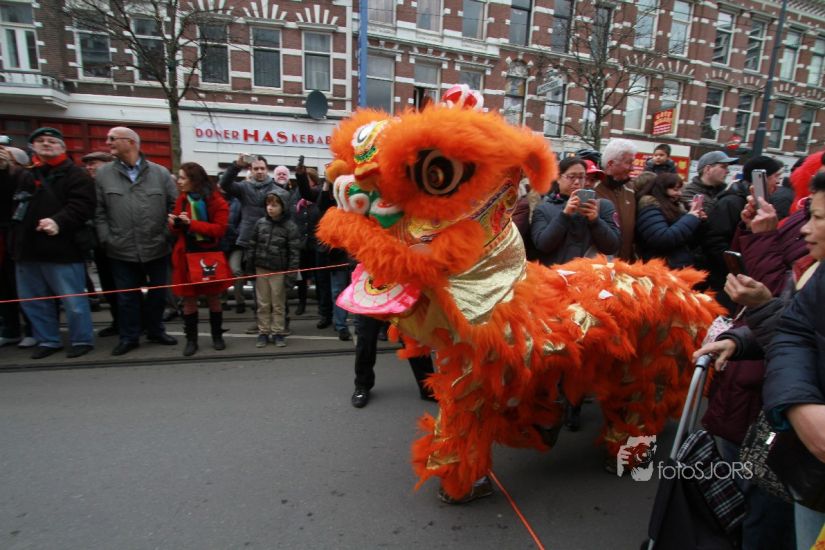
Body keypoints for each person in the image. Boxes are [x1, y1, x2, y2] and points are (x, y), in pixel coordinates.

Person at [764, 173, 825, 549]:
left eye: (817, 218)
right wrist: (799, 403)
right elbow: (795, 329)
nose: (805, 229)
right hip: (814, 475)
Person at [10, 127, 96, 359]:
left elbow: (83, 206)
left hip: (63, 250)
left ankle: (81, 339)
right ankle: (48, 340)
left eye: (51, 140)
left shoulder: (76, 175)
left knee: (73, 300)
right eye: (40, 141)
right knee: (34, 301)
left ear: (63, 147)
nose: (46, 144)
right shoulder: (26, 174)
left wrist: (58, 221)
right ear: (32, 147)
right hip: (27, 250)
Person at [95, 126, 178, 356]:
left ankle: (156, 330)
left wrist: (166, 234)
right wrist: (107, 239)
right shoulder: (103, 174)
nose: (108, 142)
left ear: (131, 142)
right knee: (126, 297)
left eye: (113, 138)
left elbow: (175, 206)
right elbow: (99, 211)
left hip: (156, 246)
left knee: (158, 294)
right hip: (120, 248)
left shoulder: (160, 173)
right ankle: (129, 337)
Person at [219, 154, 290, 334]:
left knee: (277, 286)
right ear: (250, 170)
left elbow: (287, 218)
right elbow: (224, 184)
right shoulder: (244, 187)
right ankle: (260, 322)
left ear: (267, 170)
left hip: (274, 242)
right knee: (257, 285)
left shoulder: (278, 190)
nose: (259, 171)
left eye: (262, 168)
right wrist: (236, 165)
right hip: (250, 242)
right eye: (256, 168)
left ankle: (282, 322)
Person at [703, 155, 784, 313]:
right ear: (761, 179)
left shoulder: (763, 206)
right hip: (726, 283)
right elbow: (713, 241)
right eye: (776, 176)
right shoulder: (731, 202)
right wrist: (737, 268)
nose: (778, 182)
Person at [169, 162, 230, 356]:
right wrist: (175, 223)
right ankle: (191, 340)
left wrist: (191, 224)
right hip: (186, 255)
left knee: (213, 298)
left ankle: (217, 336)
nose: (179, 182)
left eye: (182, 178)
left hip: (208, 256)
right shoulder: (182, 199)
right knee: (189, 299)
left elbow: (219, 229)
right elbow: (177, 229)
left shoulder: (216, 200)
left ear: (194, 180)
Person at [531, 156, 620, 267]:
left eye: (581, 177)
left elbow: (612, 247)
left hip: (591, 275)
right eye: (571, 177)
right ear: (558, 178)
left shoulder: (603, 206)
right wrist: (564, 215)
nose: (577, 182)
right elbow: (542, 245)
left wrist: (595, 221)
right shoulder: (543, 209)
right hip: (555, 275)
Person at [245, 192, 300, 348]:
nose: (270, 208)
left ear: (283, 207)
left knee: (278, 303)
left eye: (274, 205)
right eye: (268, 204)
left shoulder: (290, 227)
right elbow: (252, 246)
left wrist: (290, 275)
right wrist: (250, 268)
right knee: (263, 303)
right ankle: (263, 331)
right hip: (261, 268)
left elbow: (294, 253)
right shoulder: (260, 223)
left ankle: (277, 332)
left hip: (279, 270)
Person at [350, 315, 436, 408]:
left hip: (401, 305)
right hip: (371, 305)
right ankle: (362, 385)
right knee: (366, 337)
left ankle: (427, 386)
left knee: (412, 336)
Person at [0, 145, 36, 348]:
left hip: (17, 240)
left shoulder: (24, 177)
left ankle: (32, 329)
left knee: (22, 288)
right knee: (4, 289)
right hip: (3, 240)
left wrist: (5, 170)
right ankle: (10, 329)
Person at [635, 172, 706, 268]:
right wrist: (691, 217)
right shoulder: (649, 207)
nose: (679, 193)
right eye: (675, 190)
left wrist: (699, 221)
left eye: (680, 189)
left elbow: (689, 241)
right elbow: (661, 238)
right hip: (661, 268)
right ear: (662, 189)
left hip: (677, 265)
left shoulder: (675, 207)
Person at [595, 138, 637, 261]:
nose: (632, 168)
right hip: (598, 267)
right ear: (610, 164)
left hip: (625, 265)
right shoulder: (592, 190)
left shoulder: (631, 190)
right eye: (628, 163)